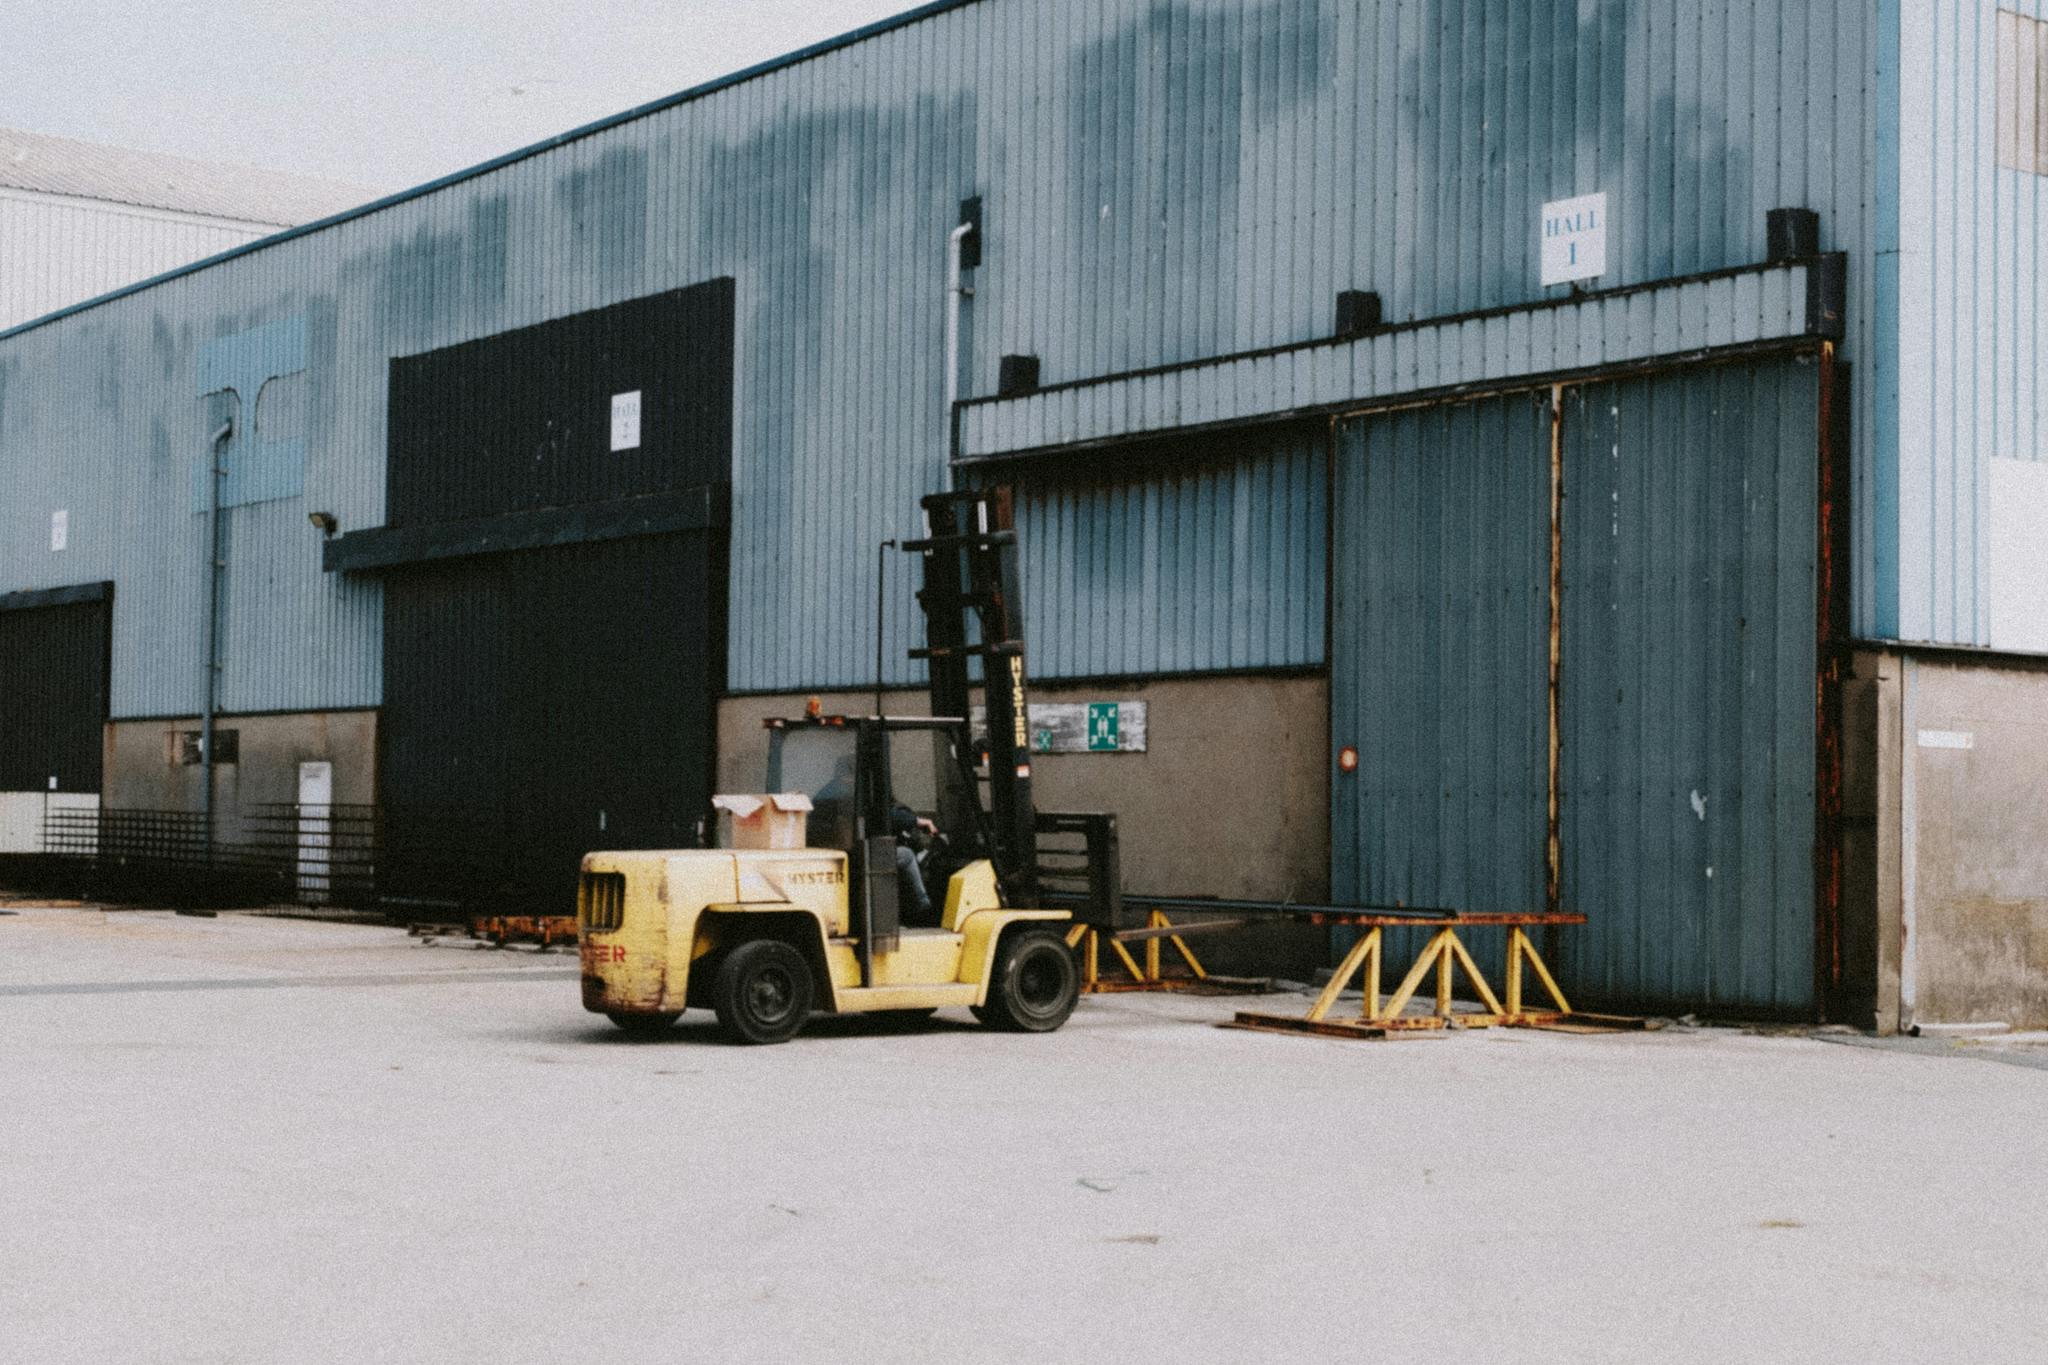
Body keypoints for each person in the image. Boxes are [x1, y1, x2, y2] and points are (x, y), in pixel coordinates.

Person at [891, 802, 940, 925]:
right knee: (907, 854)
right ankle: (924, 904)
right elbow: (894, 816)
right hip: (876, 855)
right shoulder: (885, 809)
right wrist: (920, 821)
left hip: (877, 853)